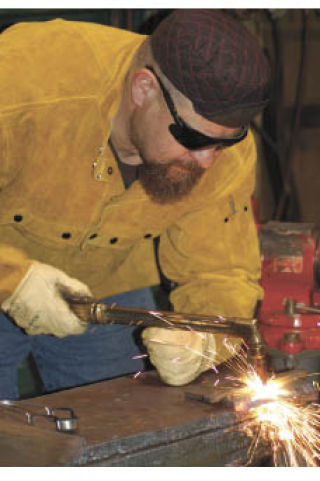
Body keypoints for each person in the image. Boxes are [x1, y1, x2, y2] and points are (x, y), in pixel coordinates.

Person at [0, 9, 270, 399]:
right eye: (193, 139)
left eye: (223, 144)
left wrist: (204, 337)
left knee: (115, 425)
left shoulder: (224, 150)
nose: (208, 160)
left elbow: (221, 272)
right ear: (143, 89)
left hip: (105, 284)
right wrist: (11, 279)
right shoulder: (24, 82)